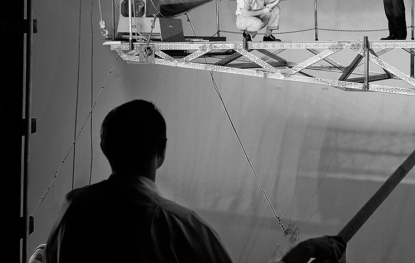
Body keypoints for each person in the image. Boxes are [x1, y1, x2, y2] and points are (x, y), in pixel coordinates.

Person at [44, 99, 345, 263]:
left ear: (104, 147)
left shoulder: (74, 208)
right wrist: (304, 252)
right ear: (161, 151)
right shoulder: (180, 226)